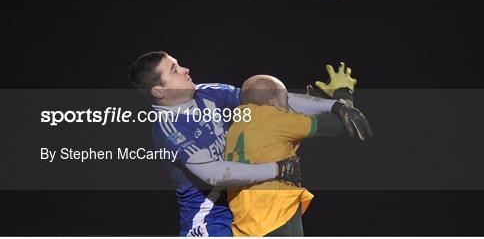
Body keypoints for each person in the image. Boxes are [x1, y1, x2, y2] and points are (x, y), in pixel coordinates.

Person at [128, 51, 352, 236]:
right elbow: (214, 174)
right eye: (174, 70)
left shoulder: (210, 93)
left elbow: (265, 100)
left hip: (243, 209)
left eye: (179, 64)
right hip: (209, 221)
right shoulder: (169, 128)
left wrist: (334, 106)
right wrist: (277, 169)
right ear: (159, 91)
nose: (185, 70)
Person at [225, 72, 372, 237]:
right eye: (285, 101)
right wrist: (343, 94)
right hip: (275, 219)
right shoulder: (273, 118)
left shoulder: (235, 127)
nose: (289, 107)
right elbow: (342, 125)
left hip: (244, 227)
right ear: (272, 102)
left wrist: (320, 101)